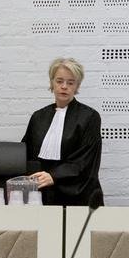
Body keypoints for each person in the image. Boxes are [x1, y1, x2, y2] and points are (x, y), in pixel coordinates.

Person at [22, 58, 103, 206]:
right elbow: (26, 152)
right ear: (52, 83)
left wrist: (53, 176)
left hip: (77, 195)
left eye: (70, 83)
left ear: (77, 86)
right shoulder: (38, 117)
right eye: (59, 81)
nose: (64, 86)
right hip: (42, 193)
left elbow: (86, 160)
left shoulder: (90, 117)